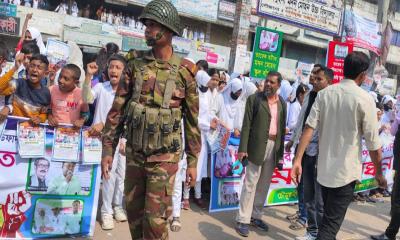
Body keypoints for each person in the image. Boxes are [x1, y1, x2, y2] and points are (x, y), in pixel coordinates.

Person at [101, 0, 201, 239]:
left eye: (153, 24)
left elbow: (192, 123)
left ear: (168, 31)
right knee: (135, 220)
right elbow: (117, 111)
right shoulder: (134, 64)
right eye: (146, 24)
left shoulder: (185, 72)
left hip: (164, 161)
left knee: (155, 225)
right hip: (135, 155)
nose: (147, 29)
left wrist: (194, 162)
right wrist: (108, 150)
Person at [291, 52, 387, 240]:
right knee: (328, 228)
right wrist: (379, 173)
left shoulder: (325, 94)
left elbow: (309, 129)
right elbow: (374, 144)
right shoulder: (364, 99)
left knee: (326, 221)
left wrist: (297, 159)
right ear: (363, 75)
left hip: (323, 171)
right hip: (345, 174)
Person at [234, 71, 287, 237]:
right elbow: (246, 126)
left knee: (263, 185)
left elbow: (282, 129)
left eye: (272, 82)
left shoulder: (282, 104)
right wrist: (243, 149)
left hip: (273, 146)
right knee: (250, 183)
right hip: (255, 146)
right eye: (267, 81)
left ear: (278, 85)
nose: (268, 85)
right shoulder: (254, 99)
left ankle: (256, 216)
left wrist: (280, 153)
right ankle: (243, 219)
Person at [83, 55, 128, 230]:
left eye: (118, 67)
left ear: (124, 72)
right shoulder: (101, 87)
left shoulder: (127, 93)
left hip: (121, 139)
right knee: (108, 175)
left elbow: (126, 117)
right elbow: (87, 98)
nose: (114, 70)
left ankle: (117, 206)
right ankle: (106, 212)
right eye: (111, 67)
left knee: (121, 175)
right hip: (104, 140)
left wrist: (124, 138)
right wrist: (88, 76)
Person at [289, 67, 333, 239]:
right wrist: (293, 140)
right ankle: (312, 231)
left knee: (319, 200)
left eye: (319, 79)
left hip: (320, 153)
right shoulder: (309, 95)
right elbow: (302, 120)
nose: (314, 81)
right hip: (305, 149)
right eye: (313, 77)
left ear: (329, 81)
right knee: (308, 194)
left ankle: (322, 234)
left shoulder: (331, 98)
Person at [182, 69, 217, 210]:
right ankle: (185, 197)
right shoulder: (193, 94)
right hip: (192, 133)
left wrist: (214, 121)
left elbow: (208, 113)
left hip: (203, 135)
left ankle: (197, 194)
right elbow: (193, 118)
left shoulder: (207, 94)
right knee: (190, 165)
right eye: (207, 80)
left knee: (200, 167)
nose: (209, 83)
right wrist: (209, 125)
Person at [0, 54, 50, 124]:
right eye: (32, 66)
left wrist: (40, 118)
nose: (34, 70)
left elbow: (44, 113)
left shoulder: (46, 93)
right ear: (28, 68)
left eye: (39, 68)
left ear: (45, 73)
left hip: (30, 130)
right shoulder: (19, 83)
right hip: (13, 126)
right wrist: (15, 68)